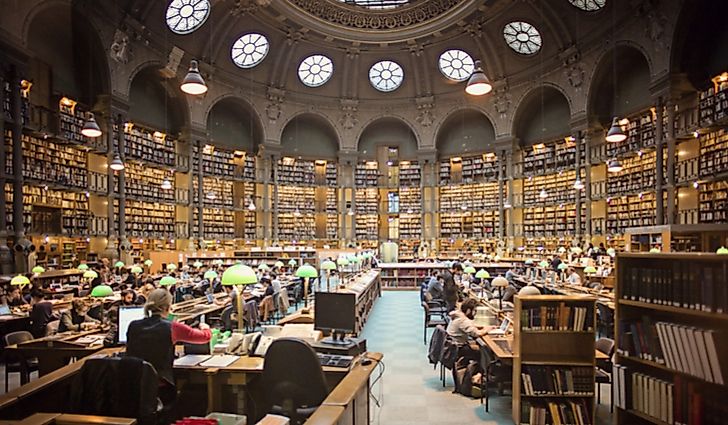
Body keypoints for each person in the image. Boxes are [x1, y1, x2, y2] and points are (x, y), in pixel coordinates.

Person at [126, 289, 211, 403]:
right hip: (160, 388)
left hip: (133, 386)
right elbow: (204, 337)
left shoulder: (133, 325)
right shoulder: (172, 327)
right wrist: (205, 327)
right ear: (168, 307)